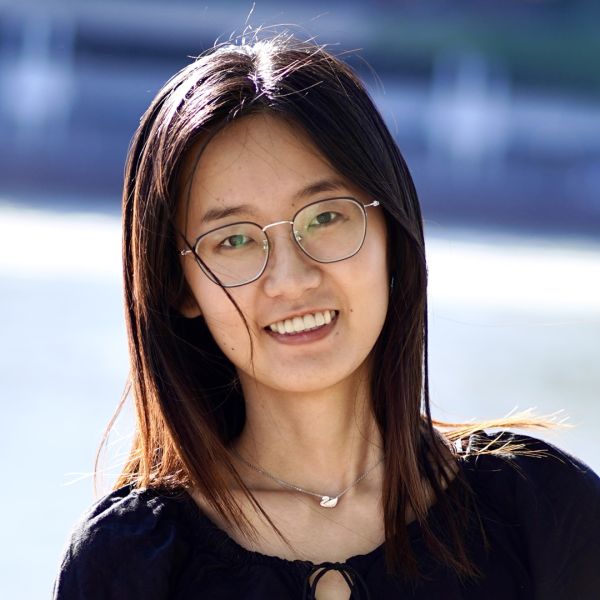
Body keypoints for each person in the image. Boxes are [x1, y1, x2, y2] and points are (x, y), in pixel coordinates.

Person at [53, 34, 600, 599]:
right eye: (234, 239)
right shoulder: (130, 563)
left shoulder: (543, 512)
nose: (291, 280)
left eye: (326, 218)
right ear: (181, 286)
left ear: (391, 230)